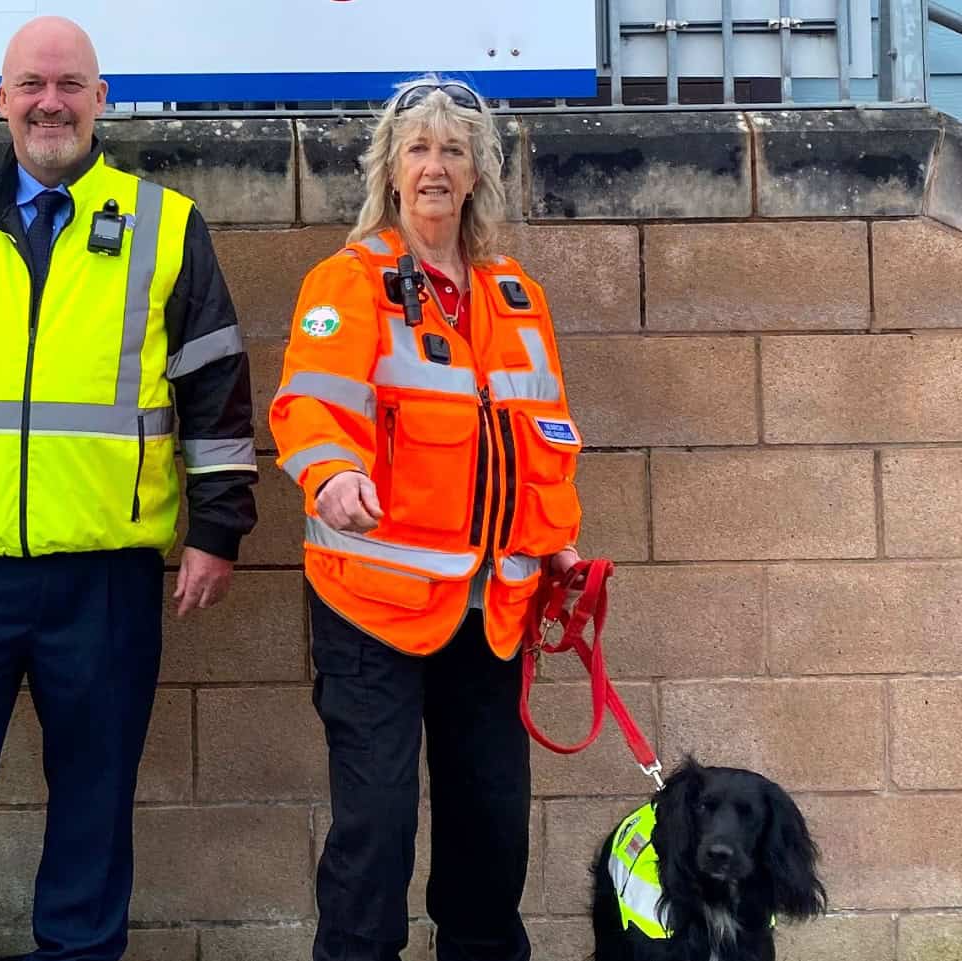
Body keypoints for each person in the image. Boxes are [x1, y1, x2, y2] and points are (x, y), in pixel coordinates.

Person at [0, 15, 258, 961]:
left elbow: (216, 385)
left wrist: (218, 528)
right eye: (31, 84)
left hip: (106, 572)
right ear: (0, 100)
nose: (51, 102)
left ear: (101, 99)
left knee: (93, 793)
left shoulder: (165, 224)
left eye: (71, 84)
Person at [269, 76, 584, 961]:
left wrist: (555, 545)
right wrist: (331, 476)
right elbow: (308, 407)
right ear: (391, 172)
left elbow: (541, 440)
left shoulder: (516, 296)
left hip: (493, 614)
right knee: (374, 831)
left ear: (478, 173)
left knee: (492, 831)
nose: (435, 167)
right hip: (373, 606)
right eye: (418, 149)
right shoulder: (350, 280)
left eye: (453, 150)